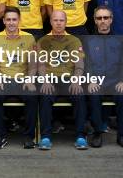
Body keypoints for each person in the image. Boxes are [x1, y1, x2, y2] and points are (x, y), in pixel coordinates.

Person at [37, 10, 88, 150]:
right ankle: (46, 137)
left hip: (69, 79)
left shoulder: (74, 40)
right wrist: (45, 81)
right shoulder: (42, 41)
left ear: (66, 22)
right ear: (50, 22)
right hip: (50, 78)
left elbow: (79, 64)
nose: (58, 23)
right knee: (45, 95)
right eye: (55, 20)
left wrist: (76, 81)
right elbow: (40, 65)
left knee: (79, 94)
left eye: (61, 20)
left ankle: (80, 136)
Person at [0, 7, 39, 149]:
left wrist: (30, 79)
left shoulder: (29, 38)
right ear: (4, 21)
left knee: (32, 95)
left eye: (14, 19)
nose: (11, 23)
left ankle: (28, 137)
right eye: (8, 19)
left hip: (22, 79)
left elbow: (33, 63)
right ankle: (1, 137)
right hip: (3, 78)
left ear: (19, 21)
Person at [84, 6, 123, 148]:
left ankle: (122, 135)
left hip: (115, 81)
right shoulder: (88, 41)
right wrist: (91, 80)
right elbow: (85, 64)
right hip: (96, 82)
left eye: (106, 18)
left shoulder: (121, 40)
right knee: (93, 94)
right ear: (95, 20)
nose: (103, 21)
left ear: (111, 20)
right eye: (99, 18)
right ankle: (97, 133)